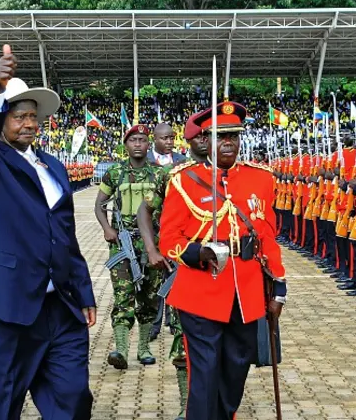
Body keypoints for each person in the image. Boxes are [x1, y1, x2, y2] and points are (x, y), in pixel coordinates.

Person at [0, 45, 96, 420]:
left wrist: (83, 290)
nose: (29, 124)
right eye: (19, 116)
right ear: (2, 120)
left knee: (73, 397)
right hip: (2, 306)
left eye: (33, 117)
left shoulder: (53, 166)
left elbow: (65, 234)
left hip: (58, 307)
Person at [158, 102, 286, 419]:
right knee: (204, 372)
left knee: (236, 368)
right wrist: (196, 252)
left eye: (233, 136)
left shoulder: (261, 179)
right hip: (199, 292)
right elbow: (168, 239)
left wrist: (279, 288)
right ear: (206, 140)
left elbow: (268, 237)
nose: (227, 143)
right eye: (220, 136)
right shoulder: (184, 180)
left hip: (246, 295)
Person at [136, 111, 209, 420]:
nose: (208, 141)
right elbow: (144, 209)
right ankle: (187, 405)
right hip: (185, 268)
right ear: (191, 140)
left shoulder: (234, 174)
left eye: (213, 135)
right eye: (202, 136)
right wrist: (152, 249)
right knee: (183, 338)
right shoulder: (174, 173)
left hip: (225, 274)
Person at [95, 124, 166, 370]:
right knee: (123, 296)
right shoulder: (115, 172)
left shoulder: (159, 174)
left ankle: (144, 347)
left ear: (149, 144)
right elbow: (99, 205)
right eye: (133, 140)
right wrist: (107, 228)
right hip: (122, 244)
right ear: (126, 145)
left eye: (142, 140)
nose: (138, 144)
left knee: (149, 298)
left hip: (151, 244)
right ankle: (121, 349)